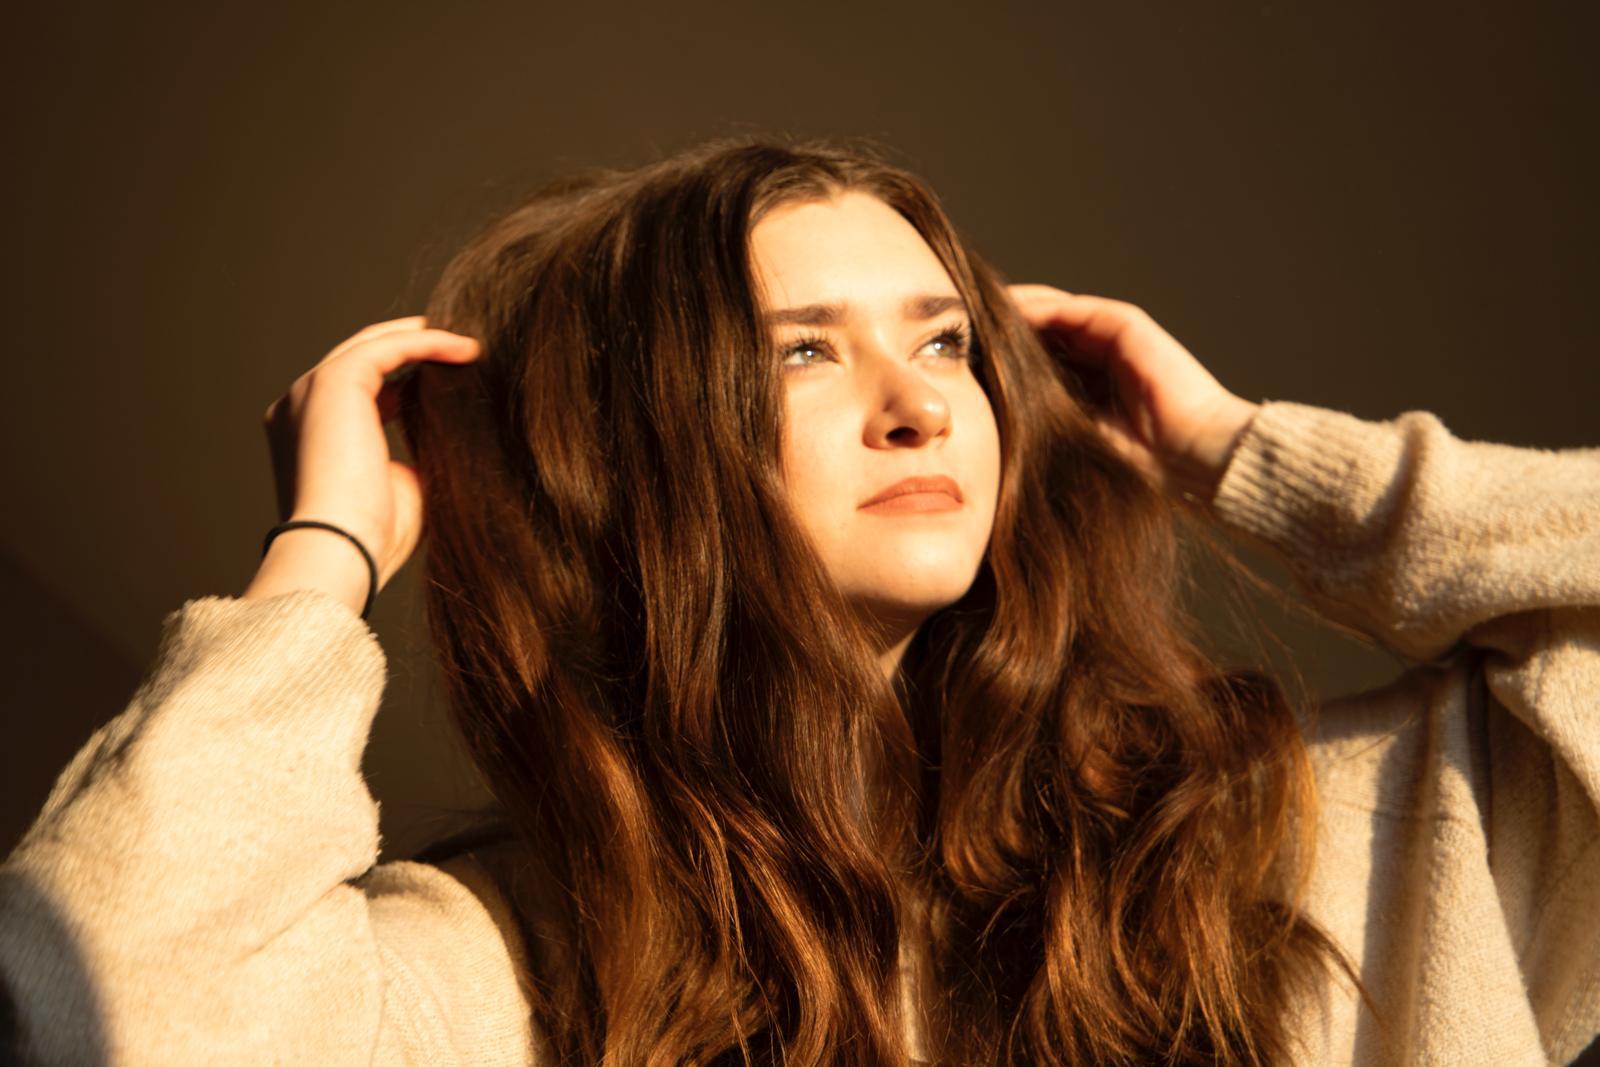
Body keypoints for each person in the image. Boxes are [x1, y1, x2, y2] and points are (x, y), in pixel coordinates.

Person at [1, 137, 1596, 1066]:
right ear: (628, 464)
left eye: (946, 340)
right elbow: (101, 1008)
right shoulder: (510, 967)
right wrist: (321, 557)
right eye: (805, 352)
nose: (919, 404)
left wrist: (1247, 457)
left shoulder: (1279, 850)